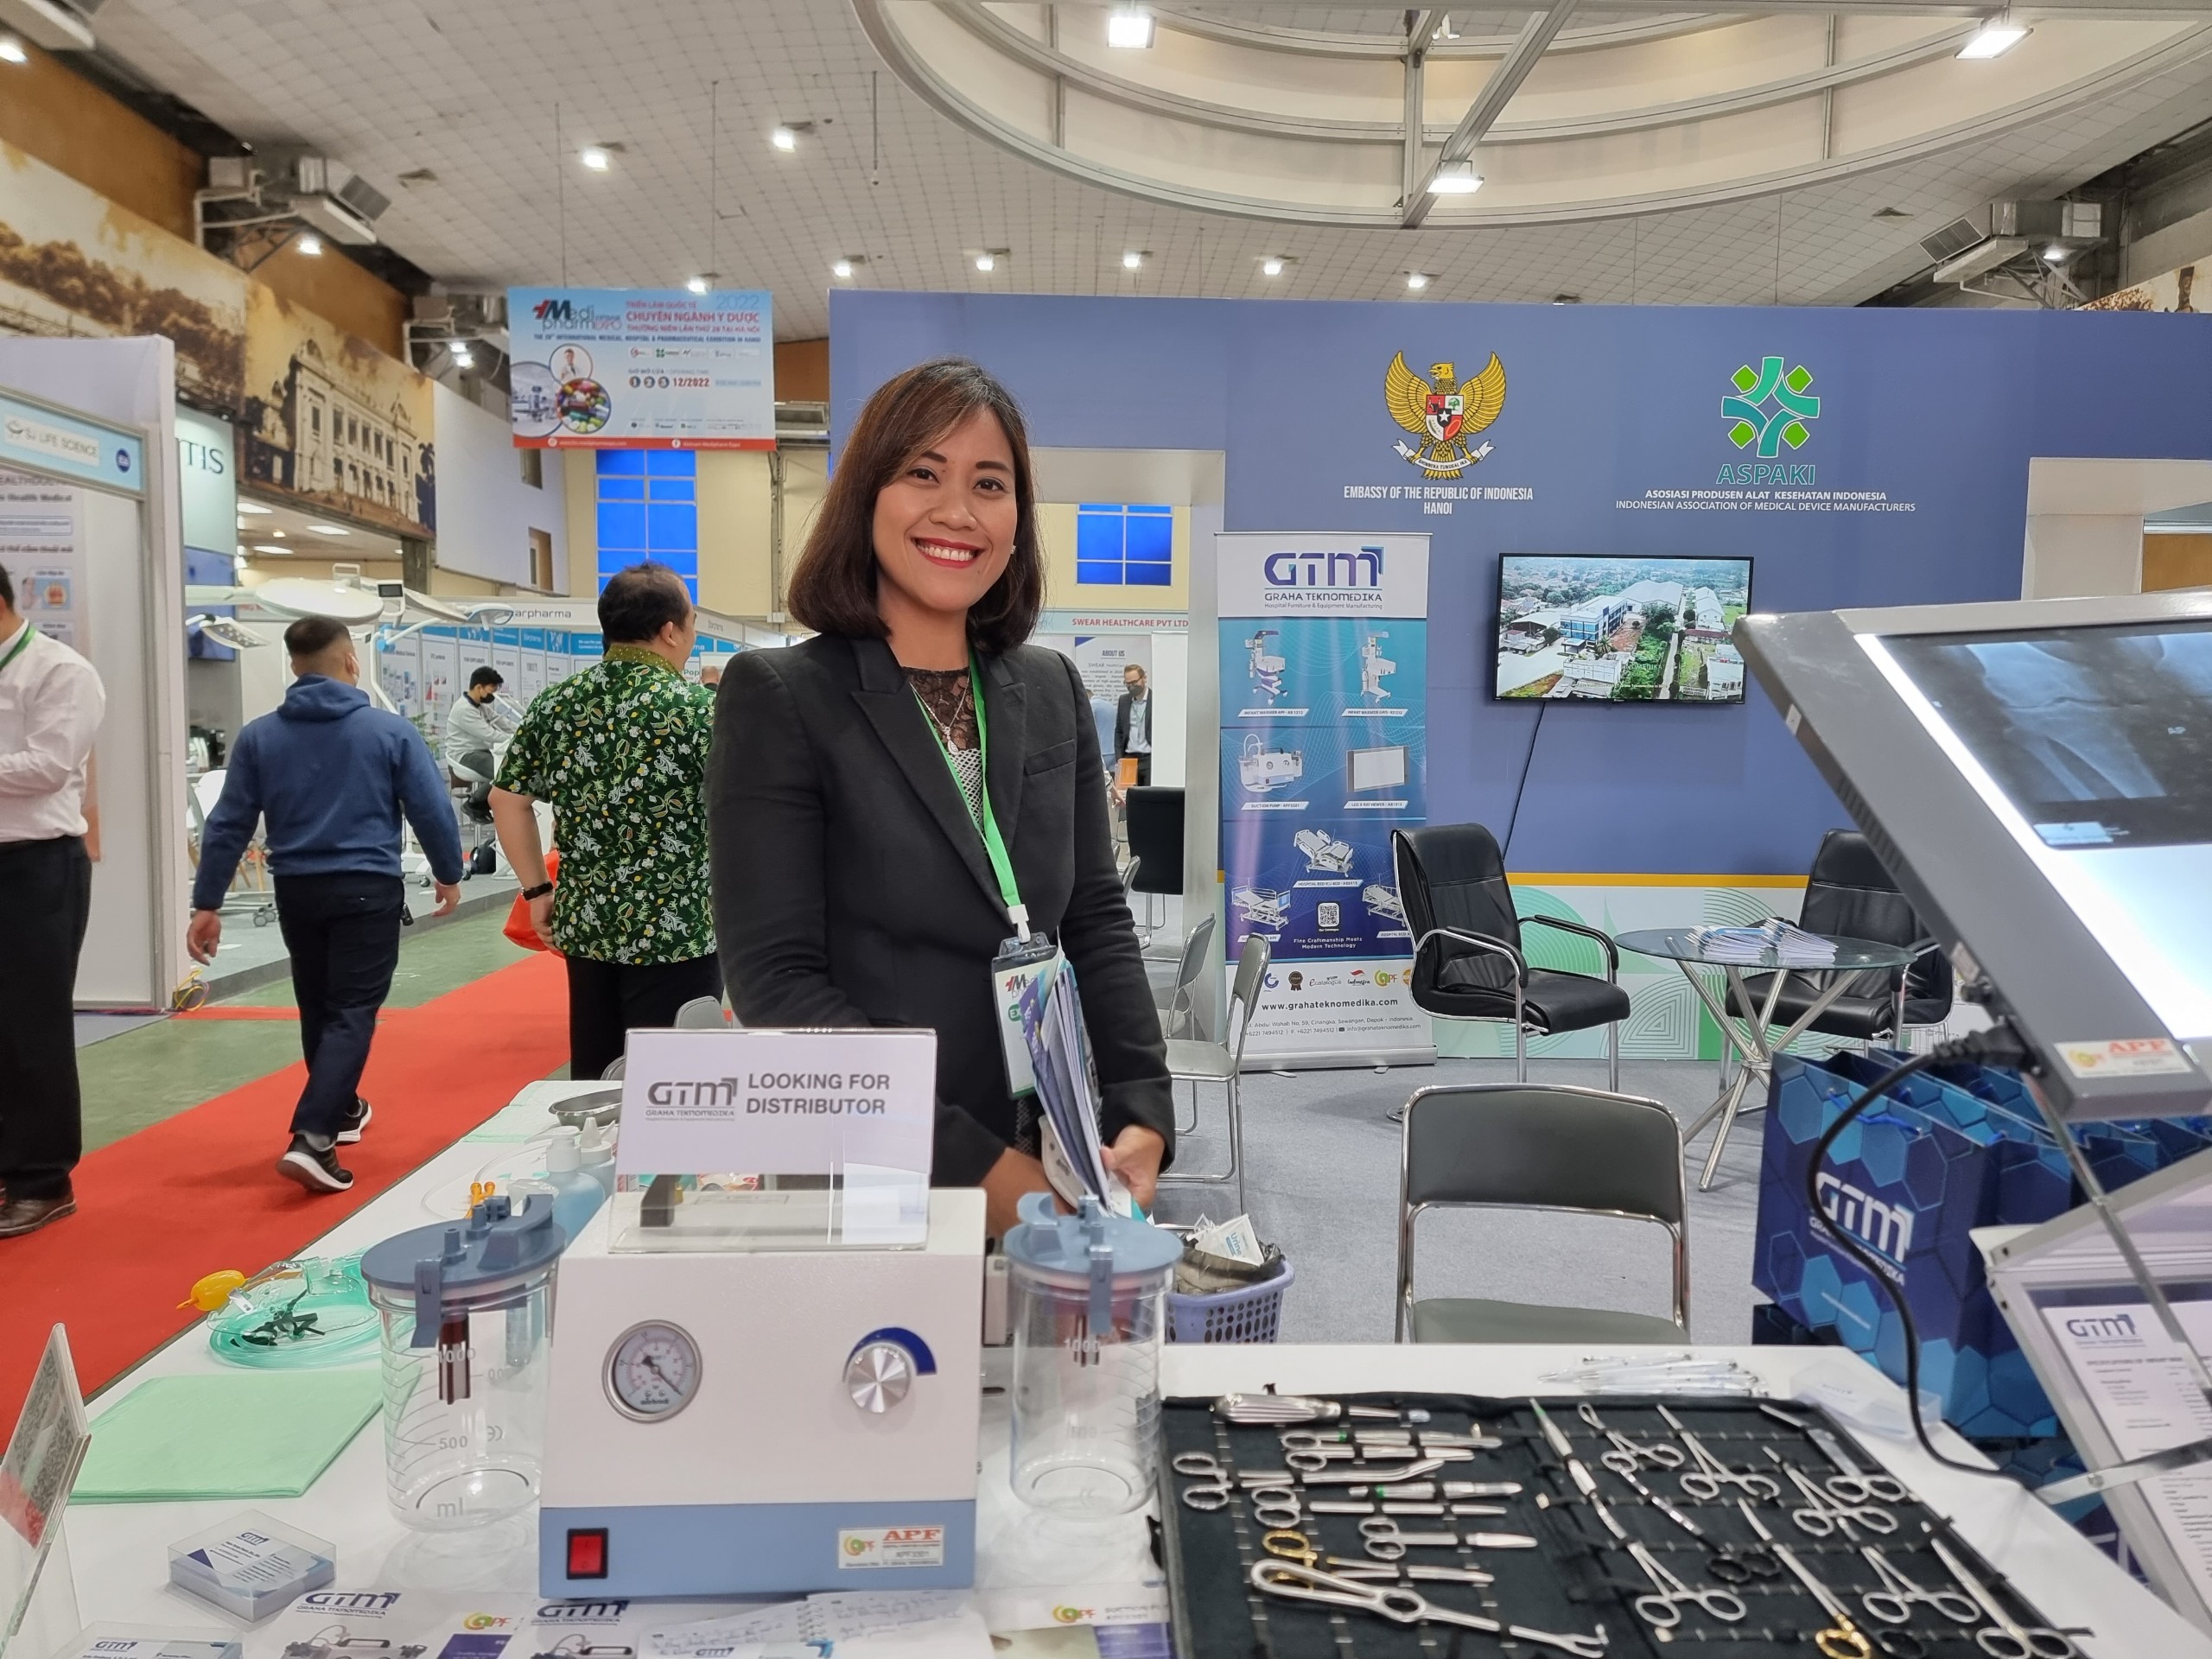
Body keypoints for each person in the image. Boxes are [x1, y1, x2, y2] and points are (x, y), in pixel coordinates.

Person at [709, 358, 1173, 1236]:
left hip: (1058, 1138)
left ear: (1016, 519)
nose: (958, 511)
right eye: (923, 473)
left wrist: (1141, 1106)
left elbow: (1097, 915)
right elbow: (776, 982)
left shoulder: (1051, 686)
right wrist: (976, 1168)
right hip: (877, 1161)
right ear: (866, 496)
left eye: (989, 484)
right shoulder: (781, 695)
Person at [188, 616, 463, 1193]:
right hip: (367, 887)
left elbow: (228, 823)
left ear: (294, 665)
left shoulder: (259, 737)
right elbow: (430, 808)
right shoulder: (388, 732)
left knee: (317, 1004)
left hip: (297, 889)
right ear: (351, 661)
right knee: (353, 1009)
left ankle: (342, 1108)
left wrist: (207, 902)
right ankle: (313, 1136)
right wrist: (447, 872)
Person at [491, 563, 719, 1083]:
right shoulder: (697, 711)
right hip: (678, 929)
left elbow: (506, 800)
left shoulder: (557, 704)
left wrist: (537, 891)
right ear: (670, 630)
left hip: (588, 925)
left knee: (598, 1080)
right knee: (676, 1088)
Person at [0, 563, 105, 1238]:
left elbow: (48, 766)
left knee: (30, 1025)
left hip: (35, 867)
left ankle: (42, 1180)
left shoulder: (59, 671)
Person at [443, 666, 514, 823]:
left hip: (479, 752)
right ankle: (474, 804)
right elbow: (489, 734)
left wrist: (523, 730)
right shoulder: (464, 710)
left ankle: (482, 803)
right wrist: (517, 738)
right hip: (465, 755)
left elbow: (501, 721)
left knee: (510, 767)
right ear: (479, 687)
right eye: (491, 689)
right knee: (504, 771)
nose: (493, 694)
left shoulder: (480, 706)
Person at [1114, 662, 1154, 788]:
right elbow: (1119, 731)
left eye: (1134, 682)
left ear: (1144, 678)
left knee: (1149, 794)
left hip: (1149, 758)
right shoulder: (1124, 701)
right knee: (1128, 796)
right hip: (1129, 758)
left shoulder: (1156, 699)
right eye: (1128, 684)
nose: (1131, 687)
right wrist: (1119, 757)